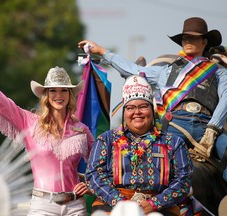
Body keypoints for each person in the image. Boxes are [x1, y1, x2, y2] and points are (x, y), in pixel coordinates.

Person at [78, 17, 227, 181]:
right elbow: (134, 70)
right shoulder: (165, 71)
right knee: (139, 157)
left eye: (194, 37)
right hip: (174, 125)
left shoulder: (219, 72)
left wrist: (213, 128)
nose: (188, 41)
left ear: (205, 41)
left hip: (207, 126)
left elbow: (226, 97)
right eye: (185, 37)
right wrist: (102, 52)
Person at [0, 47, 94, 216]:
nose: (59, 95)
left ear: (70, 94)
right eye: (53, 90)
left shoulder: (81, 130)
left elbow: (100, 166)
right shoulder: (29, 122)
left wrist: (90, 185)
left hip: (75, 206)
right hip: (43, 206)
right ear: (46, 95)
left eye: (64, 90)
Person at [85, 74, 193, 215]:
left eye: (143, 106)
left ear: (152, 110)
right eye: (130, 108)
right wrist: (120, 202)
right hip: (113, 206)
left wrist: (154, 203)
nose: (137, 112)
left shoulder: (174, 142)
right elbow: (93, 175)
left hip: (161, 207)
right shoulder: (106, 140)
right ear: (124, 112)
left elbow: (183, 179)